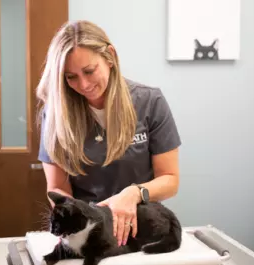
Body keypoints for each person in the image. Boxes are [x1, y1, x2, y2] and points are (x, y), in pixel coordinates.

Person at [37, 20, 181, 247]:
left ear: (110, 57)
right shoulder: (55, 114)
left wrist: (134, 194)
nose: (83, 84)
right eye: (70, 77)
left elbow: (170, 180)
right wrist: (85, 223)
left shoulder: (150, 102)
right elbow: (56, 188)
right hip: (88, 234)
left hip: (139, 228)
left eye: (89, 71)